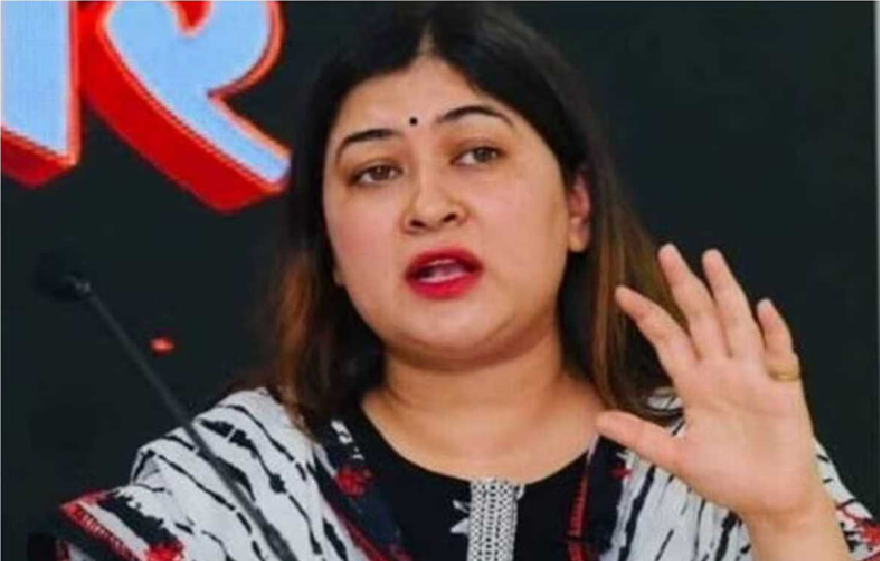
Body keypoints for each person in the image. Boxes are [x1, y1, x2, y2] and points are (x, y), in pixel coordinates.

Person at [29, 4, 879, 561]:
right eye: (375, 172)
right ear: (329, 247)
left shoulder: (710, 464)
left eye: (477, 153)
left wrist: (789, 522)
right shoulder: (230, 484)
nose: (429, 206)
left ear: (577, 205)